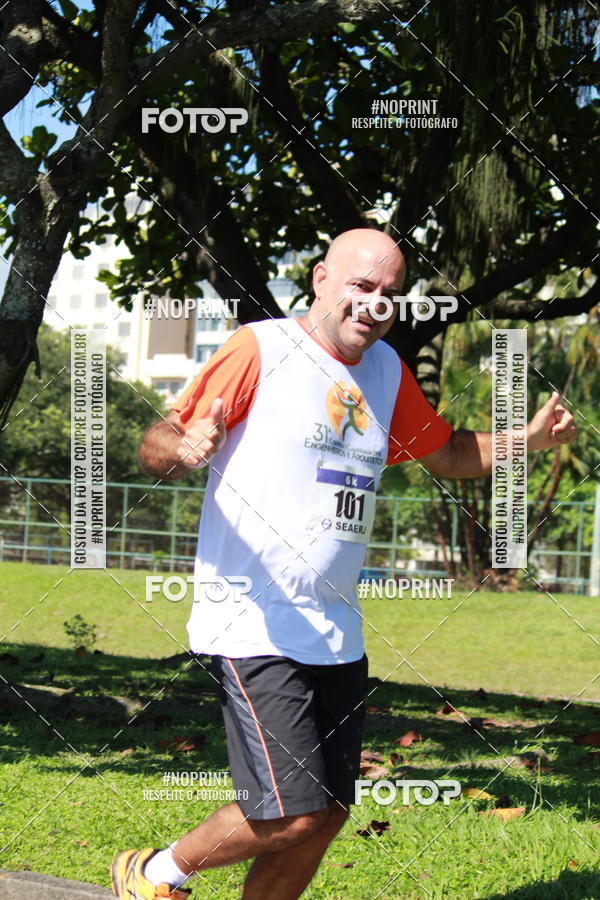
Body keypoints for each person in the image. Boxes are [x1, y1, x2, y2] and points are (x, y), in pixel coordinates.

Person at [110, 228, 577, 900]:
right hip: (253, 621)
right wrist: (184, 446)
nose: (374, 303)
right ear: (321, 279)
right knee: (291, 813)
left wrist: (526, 439)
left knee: (326, 814)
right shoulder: (260, 348)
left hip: (336, 631)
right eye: (362, 285)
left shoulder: (386, 371)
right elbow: (159, 440)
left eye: (390, 293)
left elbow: (446, 452)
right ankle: (155, 873)